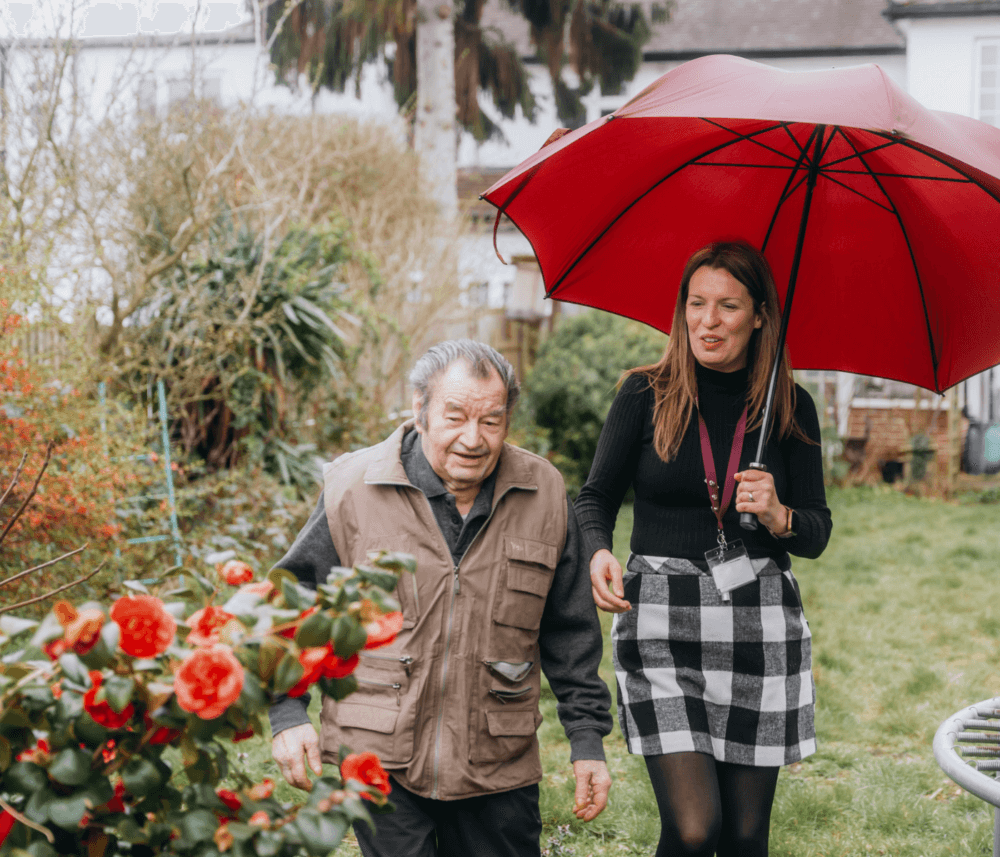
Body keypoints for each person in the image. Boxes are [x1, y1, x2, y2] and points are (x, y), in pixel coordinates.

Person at [269, 339, 614, 857]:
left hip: (498, 760)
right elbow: (294, 601)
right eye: (455, 417)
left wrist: (587, 740)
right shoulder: (354, 487)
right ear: (420, 408)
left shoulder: (543, 492)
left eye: (491, 421)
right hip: (378, 754)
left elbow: (570, 629)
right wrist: (287, 713)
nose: (472, 439)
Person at [575, 241, 832, 857]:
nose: (707, 322)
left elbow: (818, 532)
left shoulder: (790, 408)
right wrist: (597, 551)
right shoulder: (645, 393)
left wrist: (779, 514)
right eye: (696, 304)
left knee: (745, 837)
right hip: (660, 620)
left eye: (727, 307)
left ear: (761, 316)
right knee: (694, 831)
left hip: (759, 621)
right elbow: (594, 498)